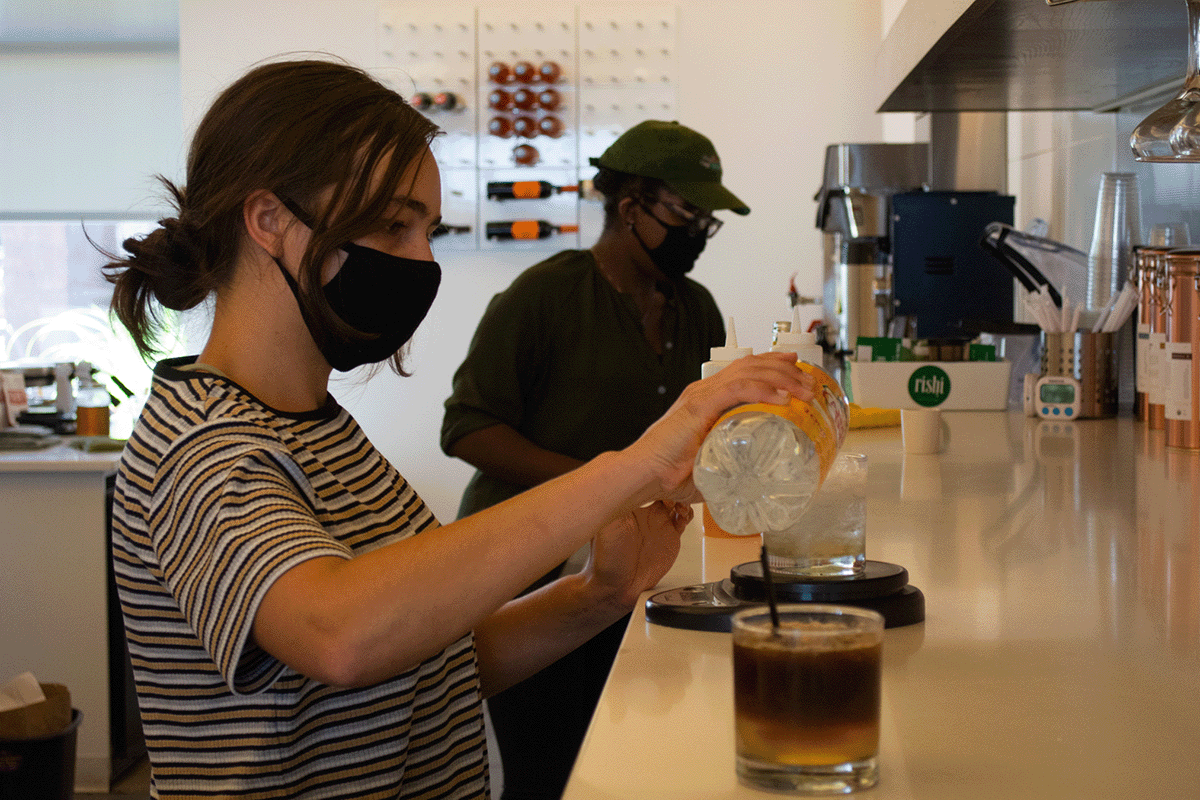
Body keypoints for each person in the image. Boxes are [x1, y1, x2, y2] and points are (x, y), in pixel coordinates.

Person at [103, 58, 810, 800]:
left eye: (427, 229)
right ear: (270, 221)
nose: (423, 260)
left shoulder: (319, 430)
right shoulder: (204, 448)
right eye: (391, 225)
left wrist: (593, 596)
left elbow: (425, 667)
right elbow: (338, 635)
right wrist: (635, 466)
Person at [440, 120, 749, 799]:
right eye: (683, 212)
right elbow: (466, 426)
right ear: (628, 207)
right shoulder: (545, 296)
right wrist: (601, 487)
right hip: (529, 565)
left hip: (634, 566)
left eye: (706, 218)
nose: (696, 230)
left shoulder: (696, 309)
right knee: (545, 767)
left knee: (629, 755)